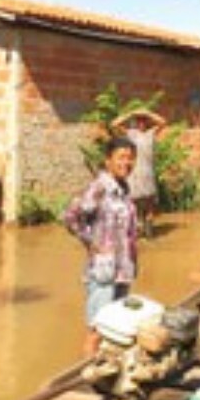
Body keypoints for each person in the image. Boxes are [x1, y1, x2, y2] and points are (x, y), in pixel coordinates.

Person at [61, 136, 140, 356]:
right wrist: (91, 242)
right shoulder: (99, 187)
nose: (126, 163)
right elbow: (70, 216)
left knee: (116, 327)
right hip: (104, 269)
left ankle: (106, 371)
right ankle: (87, 374)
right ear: (108, 161)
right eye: (121, 157)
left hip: (123, 270)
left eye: (131, 158)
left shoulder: (124, 190)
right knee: (96, 330)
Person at [111, 108, 166, 238]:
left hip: (148, 174)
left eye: (144, 121)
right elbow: (114, 124)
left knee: (149, 204)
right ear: (135, 123)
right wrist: (131, 114)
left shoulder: (151, 133)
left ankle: (149, 232)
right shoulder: (131, 134)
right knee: (134, 204)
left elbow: (163, 122)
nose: (141, 123)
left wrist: (147, 113)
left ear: (147, 122)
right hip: (133, 175)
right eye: (139, 121)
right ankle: (137, 230)